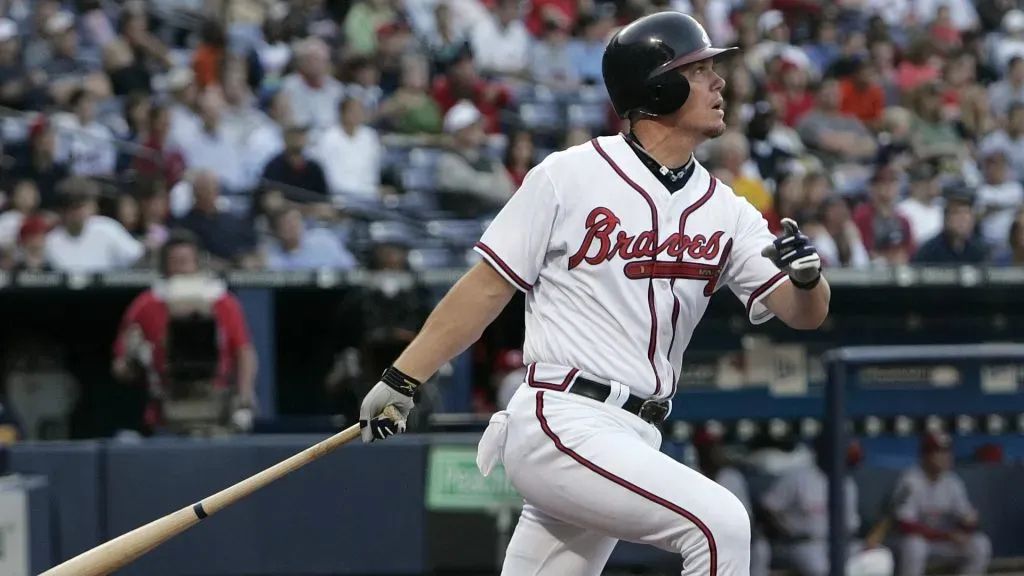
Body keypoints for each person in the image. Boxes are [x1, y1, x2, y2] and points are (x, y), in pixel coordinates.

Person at [358, 12, 830, 576]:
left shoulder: (727, 209)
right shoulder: (569, 175)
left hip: (633, 433)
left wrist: (808, 279)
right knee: (719, 523)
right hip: (564, 416)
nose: (719, 82)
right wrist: (402, 378)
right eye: (700, 70)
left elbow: (802, 314)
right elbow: (485, 289)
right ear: (659, 86)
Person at [892, 432, 991, 576]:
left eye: (947, 452)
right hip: (915, 543)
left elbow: (966, 517)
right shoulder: (909, 481)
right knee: (914, 545)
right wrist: (948, 536)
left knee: (981, 544)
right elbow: (905, 525)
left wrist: (969, 524)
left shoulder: (952, 482)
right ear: (925, 456)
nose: (946, 457)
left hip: (943, 542)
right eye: (939, 452)